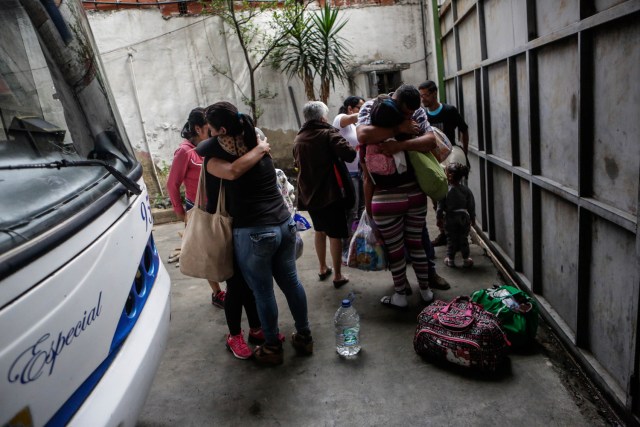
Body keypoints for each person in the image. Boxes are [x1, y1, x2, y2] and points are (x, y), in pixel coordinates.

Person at [198, 102, 313, 366]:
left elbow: (231, 169)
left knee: (263, 292)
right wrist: (261, 148)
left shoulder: (217, 157)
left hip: (255, 231)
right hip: (284, 224)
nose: (209, 134)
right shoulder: (257, 140)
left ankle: (272, 346)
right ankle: (304, 335)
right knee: (292, 283)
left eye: (211, 129)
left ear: (221, 130)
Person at [356, 85, 438, 309]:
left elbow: (366, 179)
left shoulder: (368, 148)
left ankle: (400, 295)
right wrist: (401, 129)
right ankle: (426, 292)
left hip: (385, 200)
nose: (410, 117)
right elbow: (362, 132)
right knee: (417, 245)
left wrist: (370, 212)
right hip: (415, 196)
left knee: (396, 249)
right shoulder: (403, 125)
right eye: (405, 114)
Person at [166, 107, 226, 308]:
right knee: (207, 251)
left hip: (218, 205)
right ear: (199, 129)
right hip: (198, 208)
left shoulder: (212, 145)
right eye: (209, 128)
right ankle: (217, 293)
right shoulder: (185, 152)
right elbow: (172, 184)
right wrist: (181, 213)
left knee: (223, 246)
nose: (213, 131)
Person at [294, 101, 357, 289]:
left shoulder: (299, 137)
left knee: (320, 230)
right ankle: (338, 275)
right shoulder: (328, 133)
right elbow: (350, 155)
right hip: (331, 193)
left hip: (309, 194)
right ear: (322, 117)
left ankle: (322, 267)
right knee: (335, 233)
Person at [418, 80, 470, 248]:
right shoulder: (422, 115)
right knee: (437, 198)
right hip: (433, 161)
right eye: (421, 96)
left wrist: (463, 152)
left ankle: (459, 232)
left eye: (425, 95)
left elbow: (464, 129)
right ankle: (444, 233)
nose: (423, 99)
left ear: (434, 93)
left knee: (454, 196)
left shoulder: (449, 111)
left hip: (450, 159)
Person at [332, 96, 365, 261]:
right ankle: (345, 250)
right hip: (348, 175)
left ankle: (356, 246)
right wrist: (369, 109)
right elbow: (350, 118)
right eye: (360, 107)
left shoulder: (355, 126)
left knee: (360, 211)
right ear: (350, 108)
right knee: (351, 212)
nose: (362, 109)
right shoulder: (340, 120)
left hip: (360, 173)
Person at [436, 162, 475, 268]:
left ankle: (451, 260)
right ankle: (466, 259)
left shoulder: (445, 190)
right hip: (463, 218)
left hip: (450, 218)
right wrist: (473, 218)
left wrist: (439, 219)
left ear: (448, 175)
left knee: (451, 240)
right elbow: (471, 206)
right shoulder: (466, 190)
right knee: (463, 239)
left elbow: (440, 206)